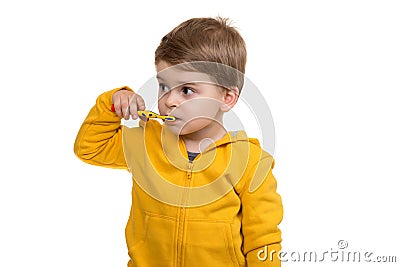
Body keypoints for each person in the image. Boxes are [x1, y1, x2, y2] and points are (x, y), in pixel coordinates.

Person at [74, 17, 283, 267]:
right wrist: (112, 104)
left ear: (227, 98)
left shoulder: (250, 161)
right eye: (163, 86)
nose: (168, 100)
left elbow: (263, 239)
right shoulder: (146, 142)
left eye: (186, 90)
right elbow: (89, 148)